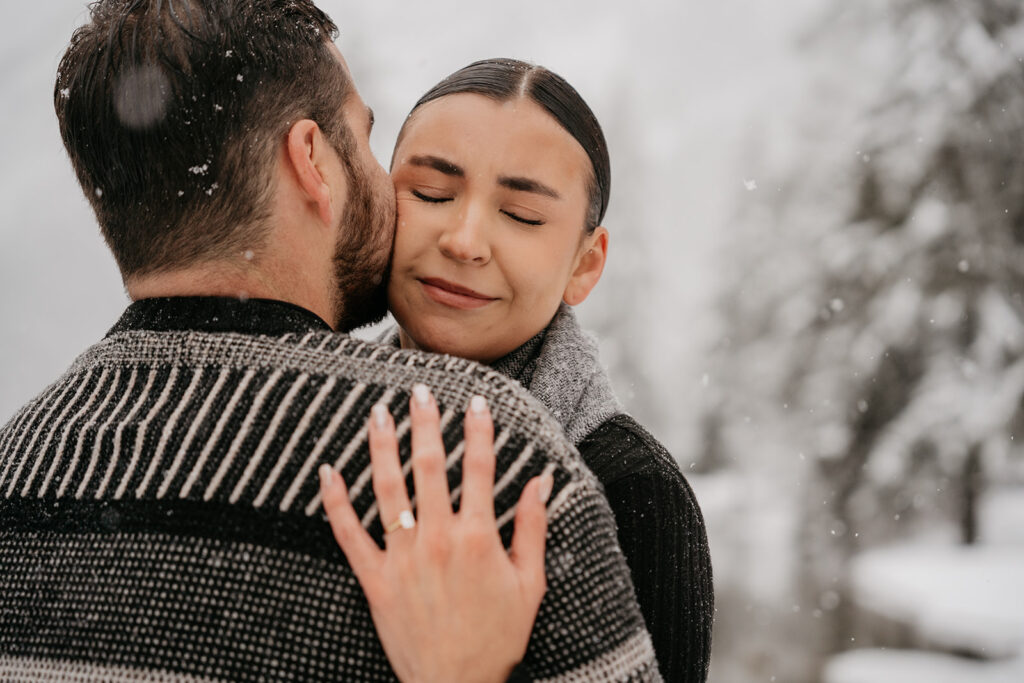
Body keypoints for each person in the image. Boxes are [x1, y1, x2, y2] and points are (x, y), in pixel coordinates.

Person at [0, 2, 661, 681]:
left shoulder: (14, 467)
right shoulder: (494, 461)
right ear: (313, 159)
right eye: (367, 142)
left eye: (521, 214)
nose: (462, 241)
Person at [360, 59, 715, 681]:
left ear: (585, 264)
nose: (465, 240)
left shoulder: (630, 490)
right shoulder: (309, 426)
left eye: (522, 216)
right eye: (431, 194)